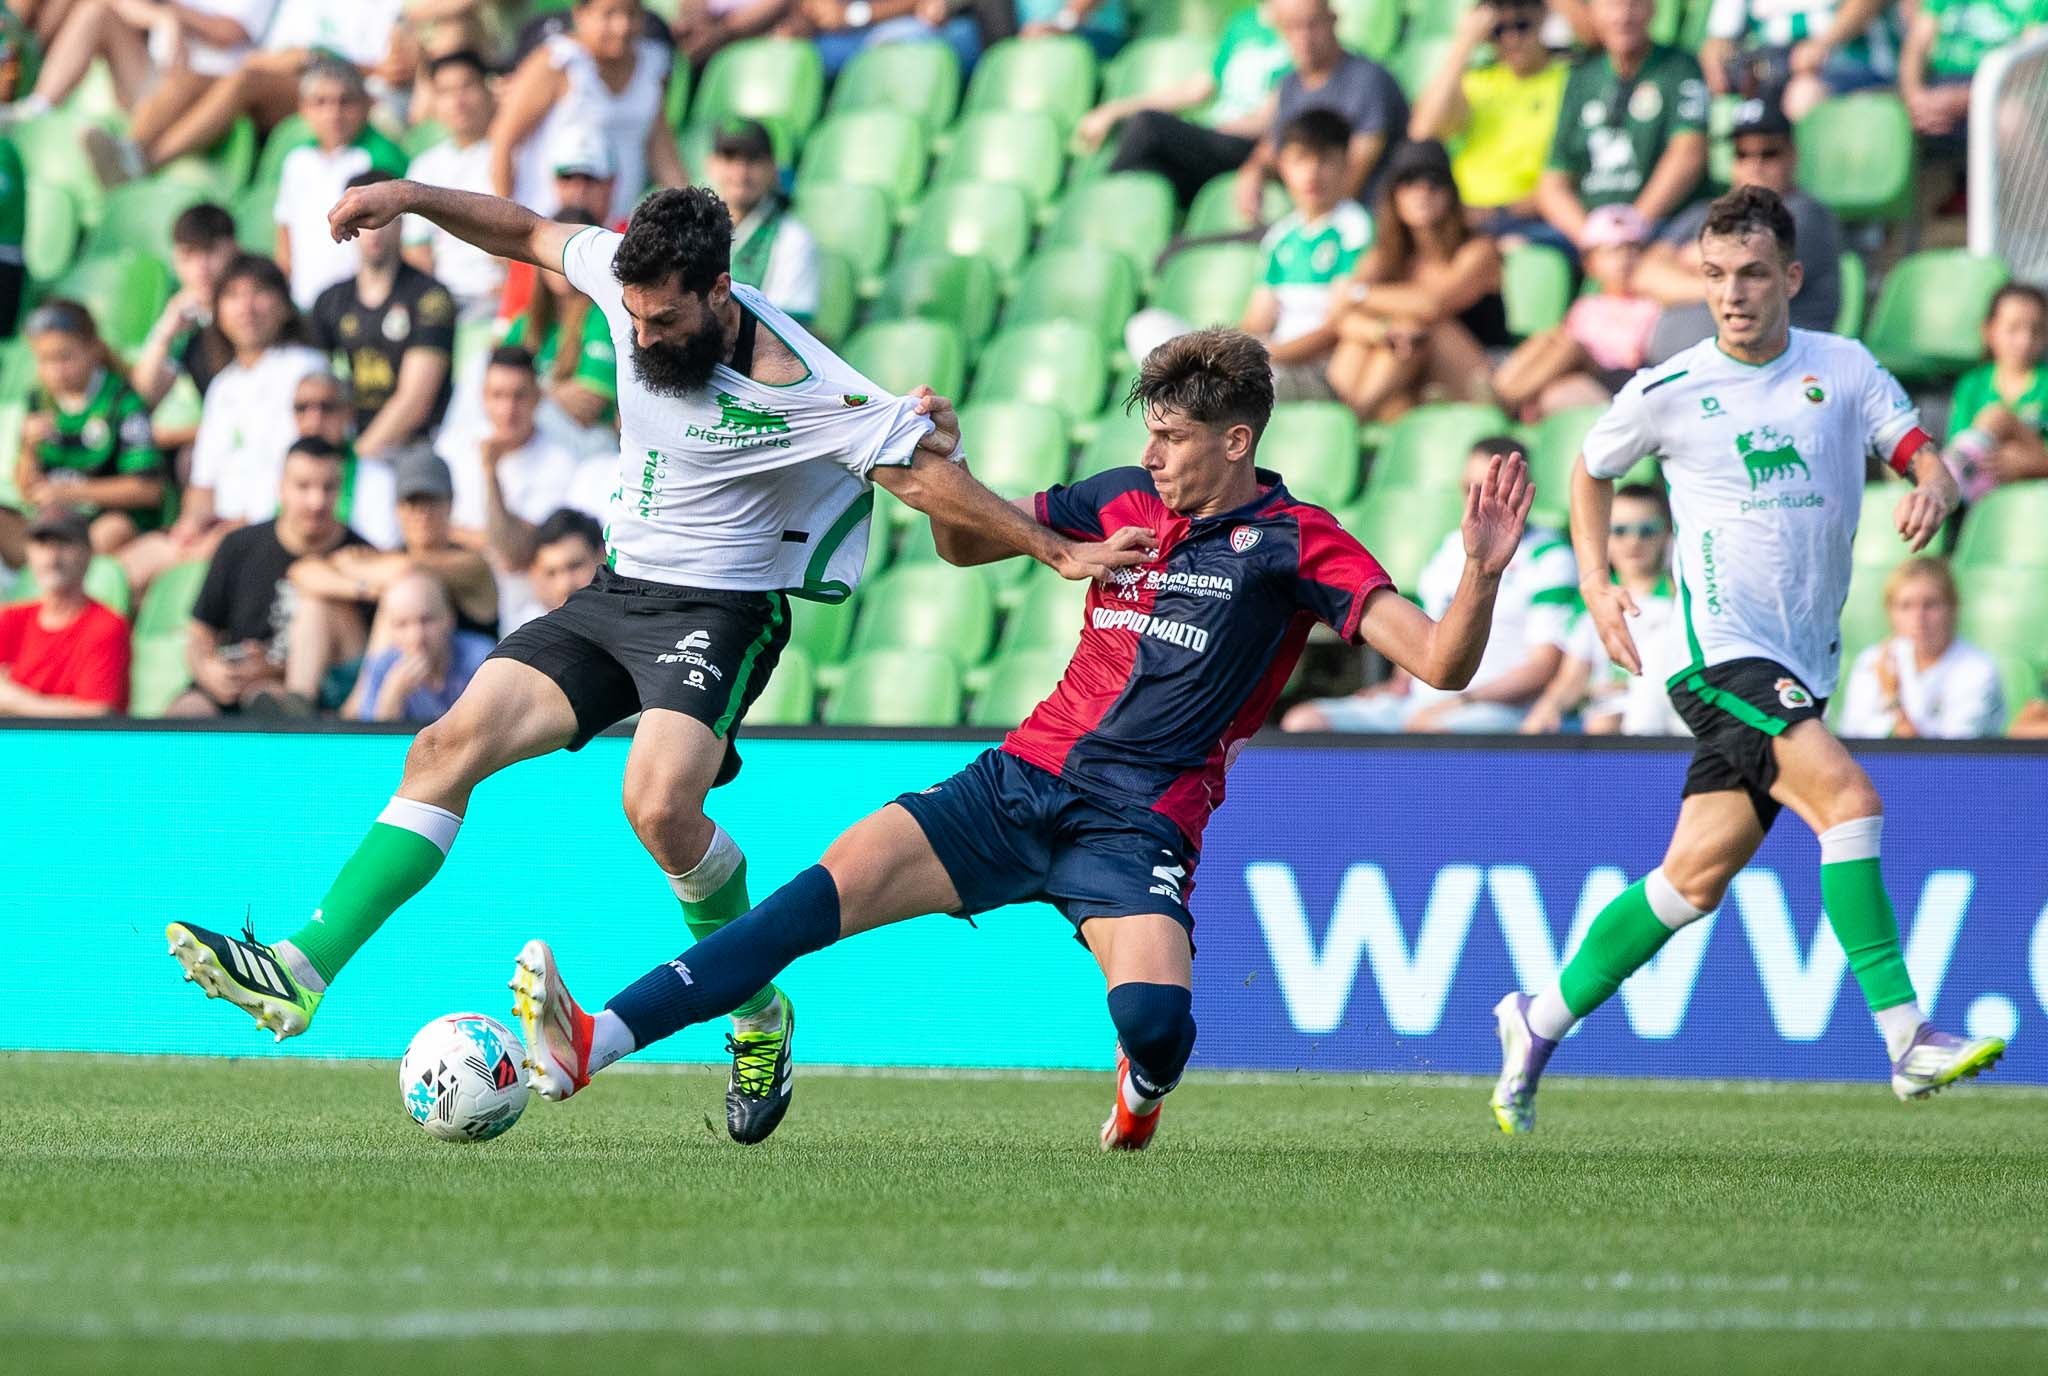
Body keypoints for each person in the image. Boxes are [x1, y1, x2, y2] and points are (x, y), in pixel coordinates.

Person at [164, 178, 1150, 1147]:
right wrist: (412, 196)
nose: (641, 336)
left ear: (721, 292)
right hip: (617, 592)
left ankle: (756, 1012)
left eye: (665, 319)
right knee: (444, 743)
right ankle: (300, 968)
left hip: (725, 609)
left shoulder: (797, 377)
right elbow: (525, 230)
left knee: (657, 806)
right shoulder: (627, 278)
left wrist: (1054, 548)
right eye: (632, 316)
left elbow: (923, 474)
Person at [502, 328, 1534, 1149]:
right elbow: (957, 544)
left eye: (1173, 437)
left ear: (1236, 442)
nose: (1151, 454)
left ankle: (1140, 1089)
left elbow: (1440, 663)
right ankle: (592, 1041)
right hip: (1013, 783)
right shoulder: (1120, 497)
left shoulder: (1297, 543)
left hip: (1137, 824)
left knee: (1154, 1027)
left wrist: (1480, 573)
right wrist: (957, 468)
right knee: (801, 907)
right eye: (1151, 432)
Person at [1491, 185, 2000, 1136]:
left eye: (1754, 273)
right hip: (1715, 653)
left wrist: (1932, 479)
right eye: (1716, 275)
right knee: (1849, 803)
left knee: (1691, 880)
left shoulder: (1843, 369)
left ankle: (1536, 1019)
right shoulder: (1669, 388)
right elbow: (1591, 470)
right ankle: (1907, 1039)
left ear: (1792, 278)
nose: (1733, 293)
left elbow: (1915, 448)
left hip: (1802, 662)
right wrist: (1598, 586)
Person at [1281, 434, 1572, 733]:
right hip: (1421, 704)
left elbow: (1542, 667)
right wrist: (1397, 685)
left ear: (1519, 489)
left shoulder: (1550, 557)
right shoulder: (1447, 549)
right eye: (1468, 487)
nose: (1476, 497)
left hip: (1496, 708)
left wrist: (1463, 701)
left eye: (1489, 488)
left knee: (1430, 729)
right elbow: (1422, 631)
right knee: (1305, 721)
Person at [309, 170, 459, 548]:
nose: (372, 231)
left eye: (380, 218)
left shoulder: (430, 297)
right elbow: (316, 386)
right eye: (360, 219)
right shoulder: (328, 302)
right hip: (348, 448)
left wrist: (350, 460)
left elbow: (414, 403)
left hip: (412, 447)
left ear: (400, 221)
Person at [280, 450, 498, 711]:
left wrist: (369, 574)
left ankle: (355, 711)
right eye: (412, 503)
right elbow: (302, 572)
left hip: (458, 686)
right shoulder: (385, 555)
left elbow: (408, 568)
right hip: (386, 675)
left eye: (432, 502)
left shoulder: (471, 563)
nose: (422, 513)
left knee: (404, 590)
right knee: (318, 604)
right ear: (397, 509)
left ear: (450, 504)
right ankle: (297, 704)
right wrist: (364, 589)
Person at [167, 437, 367, 717]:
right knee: (185, 713)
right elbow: (200, 631)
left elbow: (357, 661)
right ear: (281, 487)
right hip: (231, 685)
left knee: (266, 704)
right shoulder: (238, 545)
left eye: (328, 488)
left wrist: (274, 670)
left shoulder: (360, 555)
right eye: (303, 486)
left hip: (307, 702)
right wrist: (209, 671)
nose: (316, 501)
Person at [1633, 97, 1842, 364]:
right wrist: (1717, 285)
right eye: (1742, 153)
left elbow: (1744, 254)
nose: (1754, 164)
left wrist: (1692, 269)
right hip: (1679, 376)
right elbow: (1644, 273)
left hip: (1777, 375)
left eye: (1769, 153)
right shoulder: (1703, 211)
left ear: (1792, 155)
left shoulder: (1804, 215)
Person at [1325, 139, 1505, 423]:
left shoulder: (1478, 250)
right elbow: (1338, 315)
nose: (1422, 192)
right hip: (1410, 383)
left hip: (1479, 379)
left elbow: (1433, 304)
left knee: (1421, 326)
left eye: (1434, 182)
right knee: (1375, 336)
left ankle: (1349, 418)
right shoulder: (1384, 257)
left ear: (1451, 192)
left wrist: (1359, 293)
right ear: (1394, 194)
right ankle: (1346, 417)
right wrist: (1381, 331)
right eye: (1408, 182)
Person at [490, 0, 685, 225]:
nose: (622, 27)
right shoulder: (556, 61)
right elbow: (502, 142)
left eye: (632, 14)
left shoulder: (652, 64)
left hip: (613, 234)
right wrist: (502, 226)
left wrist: (695, 215)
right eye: (609, 15)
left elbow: (661, 152)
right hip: (545, 230)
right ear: (580, 14)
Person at [1084, 1, 1290, 209]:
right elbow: (1197, 89)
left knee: (1148, 125)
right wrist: (1116, 109)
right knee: (1149, 164)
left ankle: (1099, 205)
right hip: (1215, 137)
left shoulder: (1302, 30)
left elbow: (1277, 113)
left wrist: (1216, 130)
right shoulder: (1243, 23)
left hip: (1251, 146)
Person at [1538, 0, 1709, 251]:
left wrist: (1635, 223)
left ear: (1653, 8)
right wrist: (1589, 235)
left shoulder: (1680, 66)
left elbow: (1688, 153)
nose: (1623, 16)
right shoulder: (1580, 77)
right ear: (1592, 11)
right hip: (1591, 234)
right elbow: (1553, 182)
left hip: (1664, 227)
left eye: (1634, 4)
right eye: (1611, 5)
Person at [1521, 481, 1684, 735]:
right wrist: (1546, 709)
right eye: (1619, 530)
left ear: (1667, 535)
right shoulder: (1591, 603)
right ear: (1603, 538)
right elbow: (1571, 679)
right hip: (1604, 714)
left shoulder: (1681, 598)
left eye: (1647, 530)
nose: (1633, 541)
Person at [13, 298, 169, 554]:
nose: (55, 371)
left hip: (105, 521)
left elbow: (149, 489)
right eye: (45, 360)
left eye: (65, 357)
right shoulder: (40, 400)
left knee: (109, 531)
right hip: (51, 524)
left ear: (94, 349)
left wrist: (71, 493)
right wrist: (28, 447)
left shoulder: (121, 400)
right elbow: (28, 490)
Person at [1231, 0, 1409, 224]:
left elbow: (1355, 170)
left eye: (1312, 24)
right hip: (1314, 222)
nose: (1304, 37)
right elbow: (1274, 146)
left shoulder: (1368, 80)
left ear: (1333, 21)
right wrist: (1253, 170)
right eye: (1292, 27)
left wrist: (1308, 228)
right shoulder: (1289, 86)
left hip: (1366, 222)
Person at [1238, 109, 1373, 402]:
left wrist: (1259, 358)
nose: (1312, 173)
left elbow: (1335, 328)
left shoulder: (1357, 228)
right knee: (1149, 328)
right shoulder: (1280, 236)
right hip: (1270, 360)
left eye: (1324, 160)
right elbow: (1256, 320)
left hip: (1315, 369)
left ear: (1346, 164)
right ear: (1283, 166)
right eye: (1300, 160)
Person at [1406, 0, 1567, 239]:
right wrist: (1463, 45)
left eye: (1522, 25)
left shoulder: (1570, 80)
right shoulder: (1476, 81)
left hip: (1534, 220)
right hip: (1465, 215)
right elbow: (1422, 134)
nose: (1511, 39)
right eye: (1498, 30)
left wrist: (1502, 211)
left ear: (1542, 18)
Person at [1493, 203, 1661, 418]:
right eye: (1612, 252)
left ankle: (1505, 400)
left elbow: (1631, 356)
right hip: (1574, 368)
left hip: (1613, 374)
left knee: (1571, 346)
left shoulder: (1650, 304)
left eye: (1632, 249)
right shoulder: (1587, 305)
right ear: (1591, 263)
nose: (1624, 259)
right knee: (1549, 338)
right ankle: (1501, 387)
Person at [274, 56, 413, 310]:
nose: (333, 113)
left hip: (364, 304)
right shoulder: (296, 160)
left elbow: (403, 235)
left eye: (345, 101)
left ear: (367, 104)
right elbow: (285, 233)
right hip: (303, 302)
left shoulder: (382, 157)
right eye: (321, 102)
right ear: (303, 109)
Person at [3, 0, 272, 124]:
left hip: (202, 88)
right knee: (97, 10)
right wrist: (162, 18)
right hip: (154, 74)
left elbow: (230, 32)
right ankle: (36, 108)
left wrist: (173, 14)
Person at [1837, 557, 2005, 740]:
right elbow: (1851, 744)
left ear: (1953, 607)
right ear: (1890, 612)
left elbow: (1945, 762)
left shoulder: (1978, 671)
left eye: (1931, 605)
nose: (1918, 618)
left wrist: (1892, 698)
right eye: (1905, 606)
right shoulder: (1871, 661)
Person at [403, 48, 506, 321]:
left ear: (489, 90)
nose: (457, 101)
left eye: (466, 86)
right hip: (444, 304)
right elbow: (416, 250)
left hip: (498, 298)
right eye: (445, 92)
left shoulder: (512, 155)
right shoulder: (425, 166)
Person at [445, 346, 582, 548]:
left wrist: (490, 472)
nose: (508, 409)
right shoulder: (453, 447)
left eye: (519, 396)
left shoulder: (560, 462)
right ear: (483, 397)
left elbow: (520, 547)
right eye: (498, 395)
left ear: (537, 396)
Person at [0, 505, 130, 717]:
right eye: (42, 543)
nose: (51, 555)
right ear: (29, 553)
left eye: (64, 543)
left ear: (88, 553)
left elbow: (97, 715)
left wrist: (15, 701)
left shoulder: (106, 626)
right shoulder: (11, 619)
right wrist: (62, 707)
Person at [129, 203, 241, 427]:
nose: (201, 268)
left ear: (234, 249)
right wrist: (164, 333)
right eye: (188, 256)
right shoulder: (188, 322)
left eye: (210, 251)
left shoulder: (260, 302)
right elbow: (142, 401)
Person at [705, 119, 821, 328]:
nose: (741, 173)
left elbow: (787, 329)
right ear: (712, 165)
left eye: (753, 160)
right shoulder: (694, 230)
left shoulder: (793, 239)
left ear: (773, 169)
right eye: (730, 158)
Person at [1698, 0, 1897, 120]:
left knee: (1803, 94)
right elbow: (1718, 39)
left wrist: (1822, 45)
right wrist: (1718, 66)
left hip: (1851, 63)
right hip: (1773, 68)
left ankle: (1804, 188)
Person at [1942, 284, 2048, 500]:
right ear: (1989, 331)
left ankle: (1950, 487)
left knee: (1998, 417)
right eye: (2013, 329)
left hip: (2037, 493)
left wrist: (2030, 463)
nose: (2025, 340)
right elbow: (1959, 444)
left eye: (2036, 330)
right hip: (1984, 485)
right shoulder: (1972, 384)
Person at [350, 569, 497, 725]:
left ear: (449, 618)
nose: (416, 636)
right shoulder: (382, 667)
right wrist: (392, 696)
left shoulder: (481, 657)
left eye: (426, 620)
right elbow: (374, 744)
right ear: (390, 630)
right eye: (402, 624)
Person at [1899, 0, 2044, 147]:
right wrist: (1915, 97)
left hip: (2004, 90)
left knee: (2010, 119)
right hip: (1942, 86)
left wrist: (1964, 100)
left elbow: (2029, 66)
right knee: (1891, 118)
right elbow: (1916, 47)